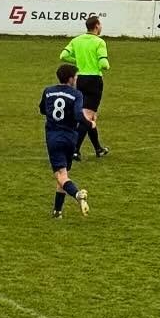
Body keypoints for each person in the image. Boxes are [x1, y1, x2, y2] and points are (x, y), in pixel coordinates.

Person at [40, 62, 89, 219]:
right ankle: (57, 211)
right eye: (75, 77)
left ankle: (77, 195)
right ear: (70, 79)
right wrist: (90, 123)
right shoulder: (76, 94)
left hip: (54, 137)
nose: (76, 79)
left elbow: (42, 109)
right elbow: (77, 115)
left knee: (61, 175)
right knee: (64, 173)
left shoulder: (48, 92)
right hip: (70, 138)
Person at [60, 15, 110, 161]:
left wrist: (78, 61)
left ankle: (98, 149)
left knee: (90, 116)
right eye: (100, 25)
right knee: (87, 117)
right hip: (94, 80)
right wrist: (104, 64)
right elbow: (103, 65)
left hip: (79, 79)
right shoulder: (99, 42)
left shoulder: (76, 40)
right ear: (96, 26)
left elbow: (63, 56)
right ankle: (74, 150)